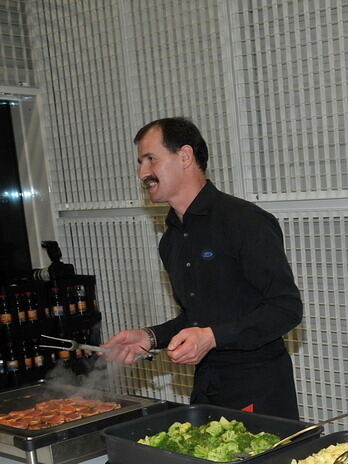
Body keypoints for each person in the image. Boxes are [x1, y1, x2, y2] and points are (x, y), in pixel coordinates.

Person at [106, 117, 303, 419]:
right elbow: (199, 317)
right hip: (207, 389)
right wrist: (151, 337)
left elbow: (286, 308)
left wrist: (211, 337)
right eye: (139, 163)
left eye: (150, 159)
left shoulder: (244, 221)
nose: (142, 173)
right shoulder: (170, 240)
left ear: (185, 156)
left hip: (257, 390)